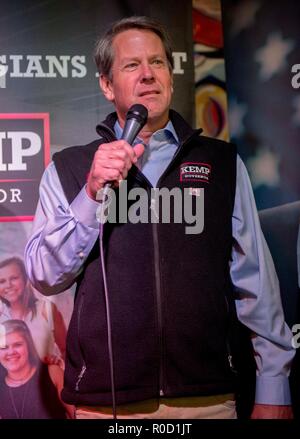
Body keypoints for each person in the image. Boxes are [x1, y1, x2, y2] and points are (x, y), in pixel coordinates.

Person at [24, 16, 295, 419]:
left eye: (158, 63)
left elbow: (256, 282)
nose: (148, 75)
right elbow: (45, 274)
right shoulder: (69, 168)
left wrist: (275, 389)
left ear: (171, 74)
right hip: (107, 406)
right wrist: (91, 193)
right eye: (132, 65)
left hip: (208, 400)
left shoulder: (219, 162)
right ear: (106, 84)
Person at [0, 319, 73, 419]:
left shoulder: (52, 373)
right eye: (4, 347)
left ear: (28, 346)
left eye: (17, 345)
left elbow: (77, 414)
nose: (11, 352)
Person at [0, 257, 66, 363]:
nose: (8, 285)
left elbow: (67, 350)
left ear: (25, 279)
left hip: (46, 378)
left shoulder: (46, 309)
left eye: (14, 278)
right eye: (2, 281)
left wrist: (57, 368)